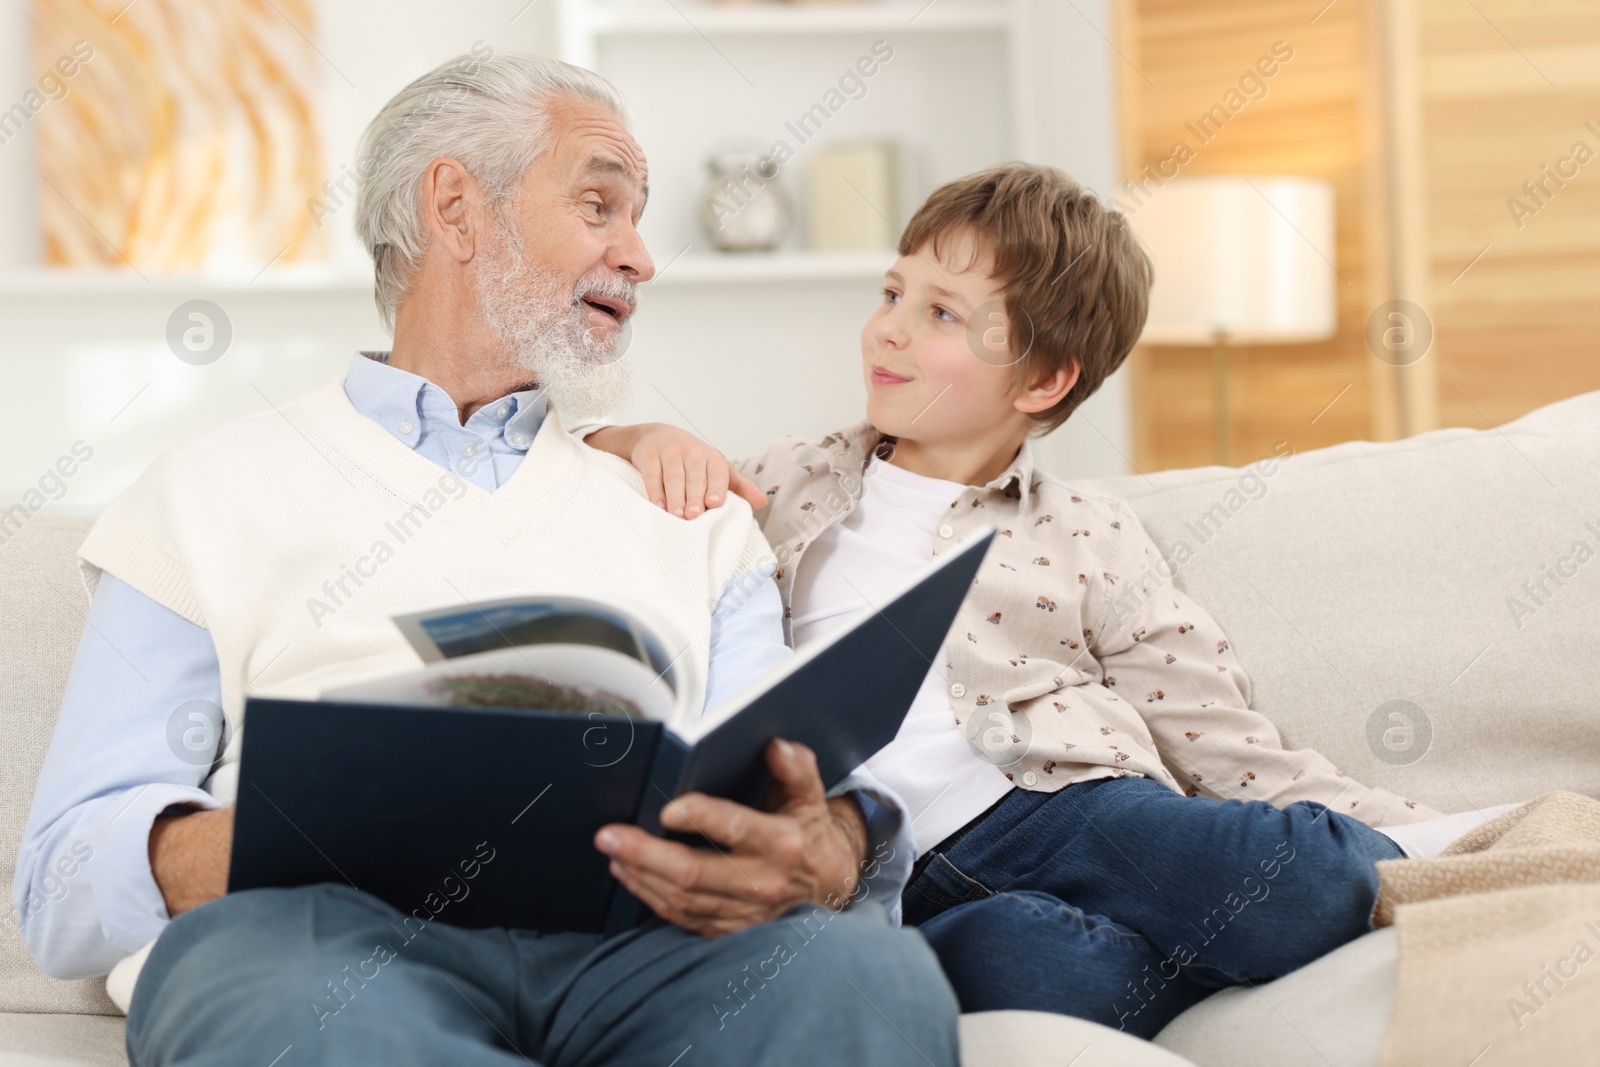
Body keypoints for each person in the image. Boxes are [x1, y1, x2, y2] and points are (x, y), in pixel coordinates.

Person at [12, 52, 960, 1067]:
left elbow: (789, 768)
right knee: (294, 1017)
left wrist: (825, 850)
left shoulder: (689, 506)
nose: (639, 255)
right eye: (600, 204)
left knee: (867, 978)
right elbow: (63, 886)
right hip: (321, 944)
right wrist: (314, 824)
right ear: (456, 208)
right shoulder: (198, 492)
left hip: (653, 949)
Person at [585, 162, 1507, 1037]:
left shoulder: (1086, 533)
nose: (891, 329)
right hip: (890, 874)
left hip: (1057, 806)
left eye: (942, 312)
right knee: (1031, 969)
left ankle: (1383, 865)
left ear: (1042, 378)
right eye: (892, 292)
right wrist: (644, 433)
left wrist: (1408, 829)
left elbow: (1209, 727)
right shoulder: (789, 479)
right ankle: (1183, 961)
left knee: (1290, 886)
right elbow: (578, 465)